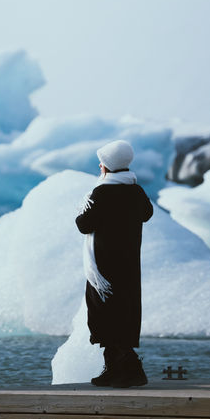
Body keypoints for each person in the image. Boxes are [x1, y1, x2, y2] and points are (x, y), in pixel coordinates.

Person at [75, 139, 153, 387]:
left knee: (105, 315)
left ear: (106, 166)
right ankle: (114, 369)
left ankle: (131, 369)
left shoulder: (102, 192)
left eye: (102, 162)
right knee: (124, 313)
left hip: (104, 266)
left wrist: (82, 209)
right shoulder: (136, 190)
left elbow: (83, 224)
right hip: (129, 265)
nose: (100, 166)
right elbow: (147, 214)